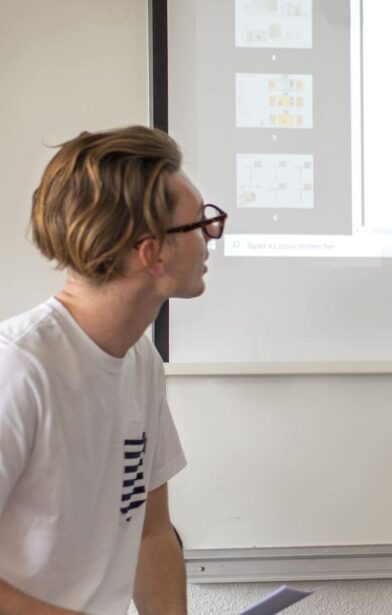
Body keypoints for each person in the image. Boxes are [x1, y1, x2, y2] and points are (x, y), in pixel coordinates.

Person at [0, 126, 225, 613]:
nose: (211, 238)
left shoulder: (141, 360)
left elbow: (152, 534)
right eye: (199, 225)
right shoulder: (17, 368)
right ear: (152, 252)